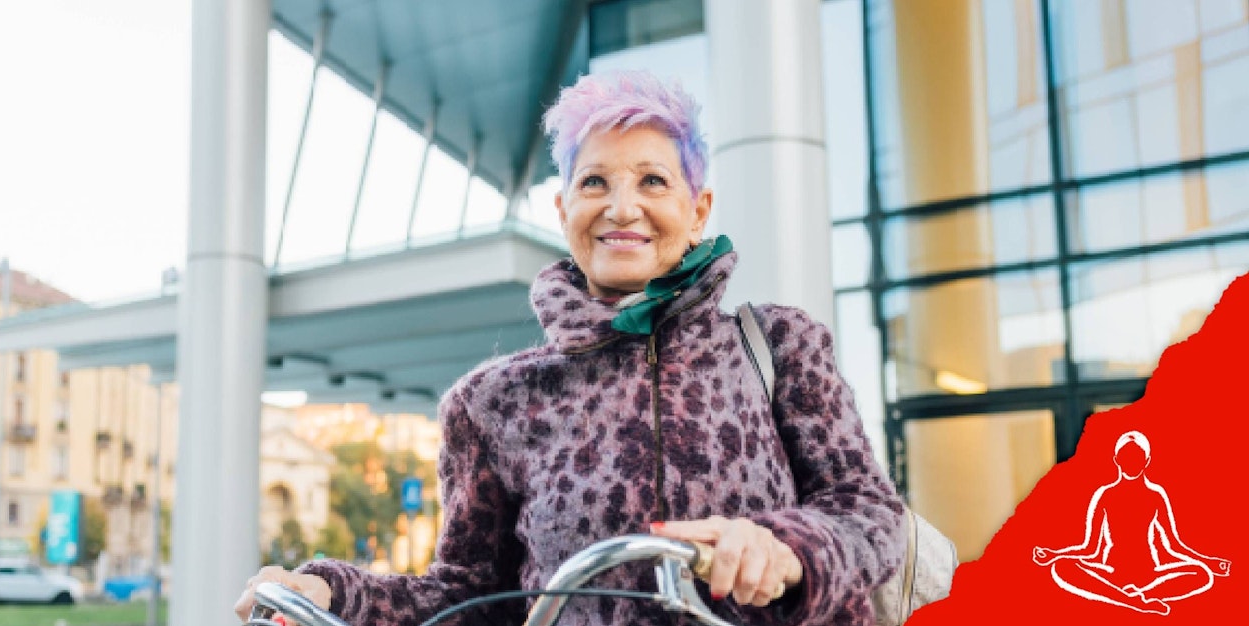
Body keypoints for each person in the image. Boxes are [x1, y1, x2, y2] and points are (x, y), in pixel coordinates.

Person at [233, 71, 905, 626]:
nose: (621, 208)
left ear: (698, 211)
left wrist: (787, 549)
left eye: (652, 181)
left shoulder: (780, 345)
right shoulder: (493, 402)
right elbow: (467, 595)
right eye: (594, 183)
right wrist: (328, 592)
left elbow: (870, 514)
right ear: (562, 212)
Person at [1033, 430, 1230, 615]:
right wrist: (1054, 555)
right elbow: (1090, 549)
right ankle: (1132, 602)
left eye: (1137, 457)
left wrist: (1209, 563)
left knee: (1202, 574)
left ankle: (1137, 598)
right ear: (1117, 460)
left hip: (1149, 574)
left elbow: (1173, 546)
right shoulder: (1106, 495)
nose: (1131, 463)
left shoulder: (1155, 496)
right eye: (1126, 457)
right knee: (1061, 567)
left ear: (1146, 460)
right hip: (1113, 573)